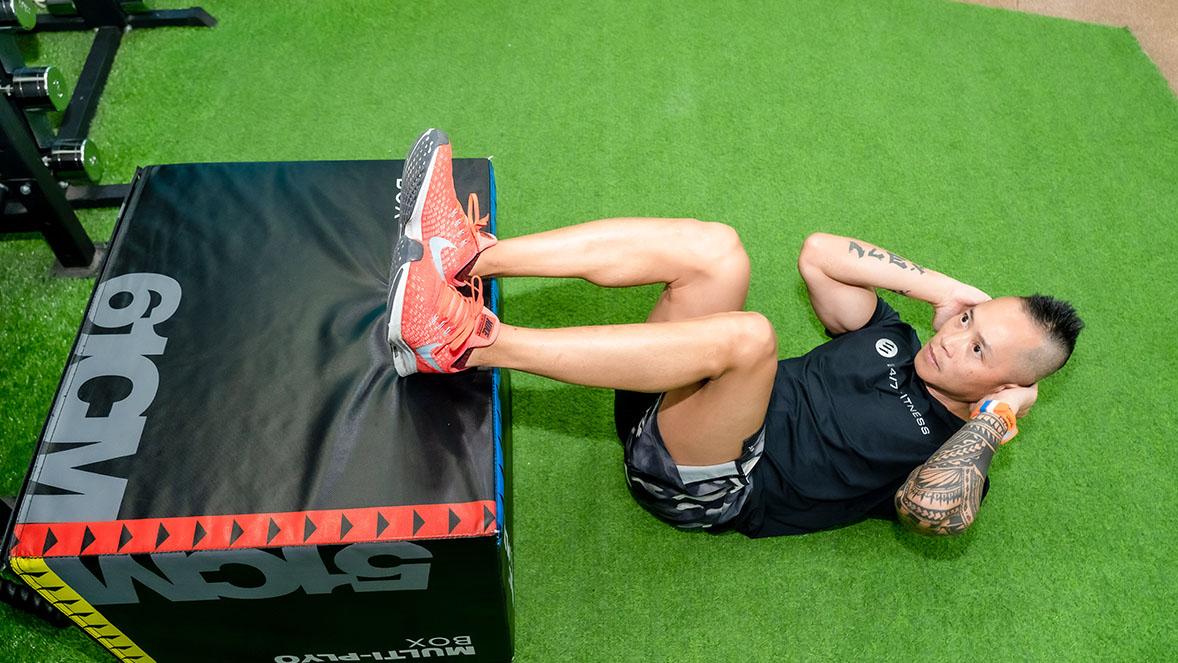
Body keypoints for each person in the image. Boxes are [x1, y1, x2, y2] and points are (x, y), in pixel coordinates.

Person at [386, 129, 1083, 538]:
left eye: (978, 348)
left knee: (751, 337)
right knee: (717, 249)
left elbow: (934, 513)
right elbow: (821, 253)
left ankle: (463, 342)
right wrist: (941, 289)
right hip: (677, 402)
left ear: (1006, 385)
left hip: (707, 485)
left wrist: (994, 420)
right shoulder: (896, 337)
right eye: (968, 321)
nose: (954, 338)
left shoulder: (956, 447)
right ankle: (467, 258)